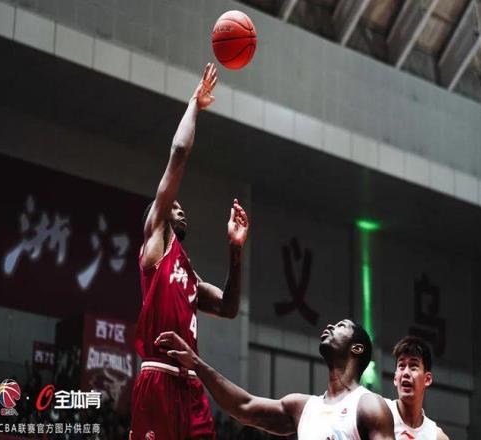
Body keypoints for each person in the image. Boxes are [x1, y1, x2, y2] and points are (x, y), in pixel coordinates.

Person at [130, 62, 250, 440]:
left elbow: (228, 308)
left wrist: (235, 250)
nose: (180, 209)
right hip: (159, 378)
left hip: (190, 385)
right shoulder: (155, 243)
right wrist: (194, 104)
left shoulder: (189, 276)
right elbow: (179, 152)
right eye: (173, 206)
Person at [155, 319, 395, 439]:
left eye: (341, 326)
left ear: (357, 349)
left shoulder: (368, 405)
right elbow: (243, 407)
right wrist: (197, 364)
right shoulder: (303, 407)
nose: (330, 325)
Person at [386, 336, 449, 440]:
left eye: (413, 366)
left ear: (427, 379)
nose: (406, 373)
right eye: (401, 366)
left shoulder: (436, 436)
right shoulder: (380, 412)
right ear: (395, 378)